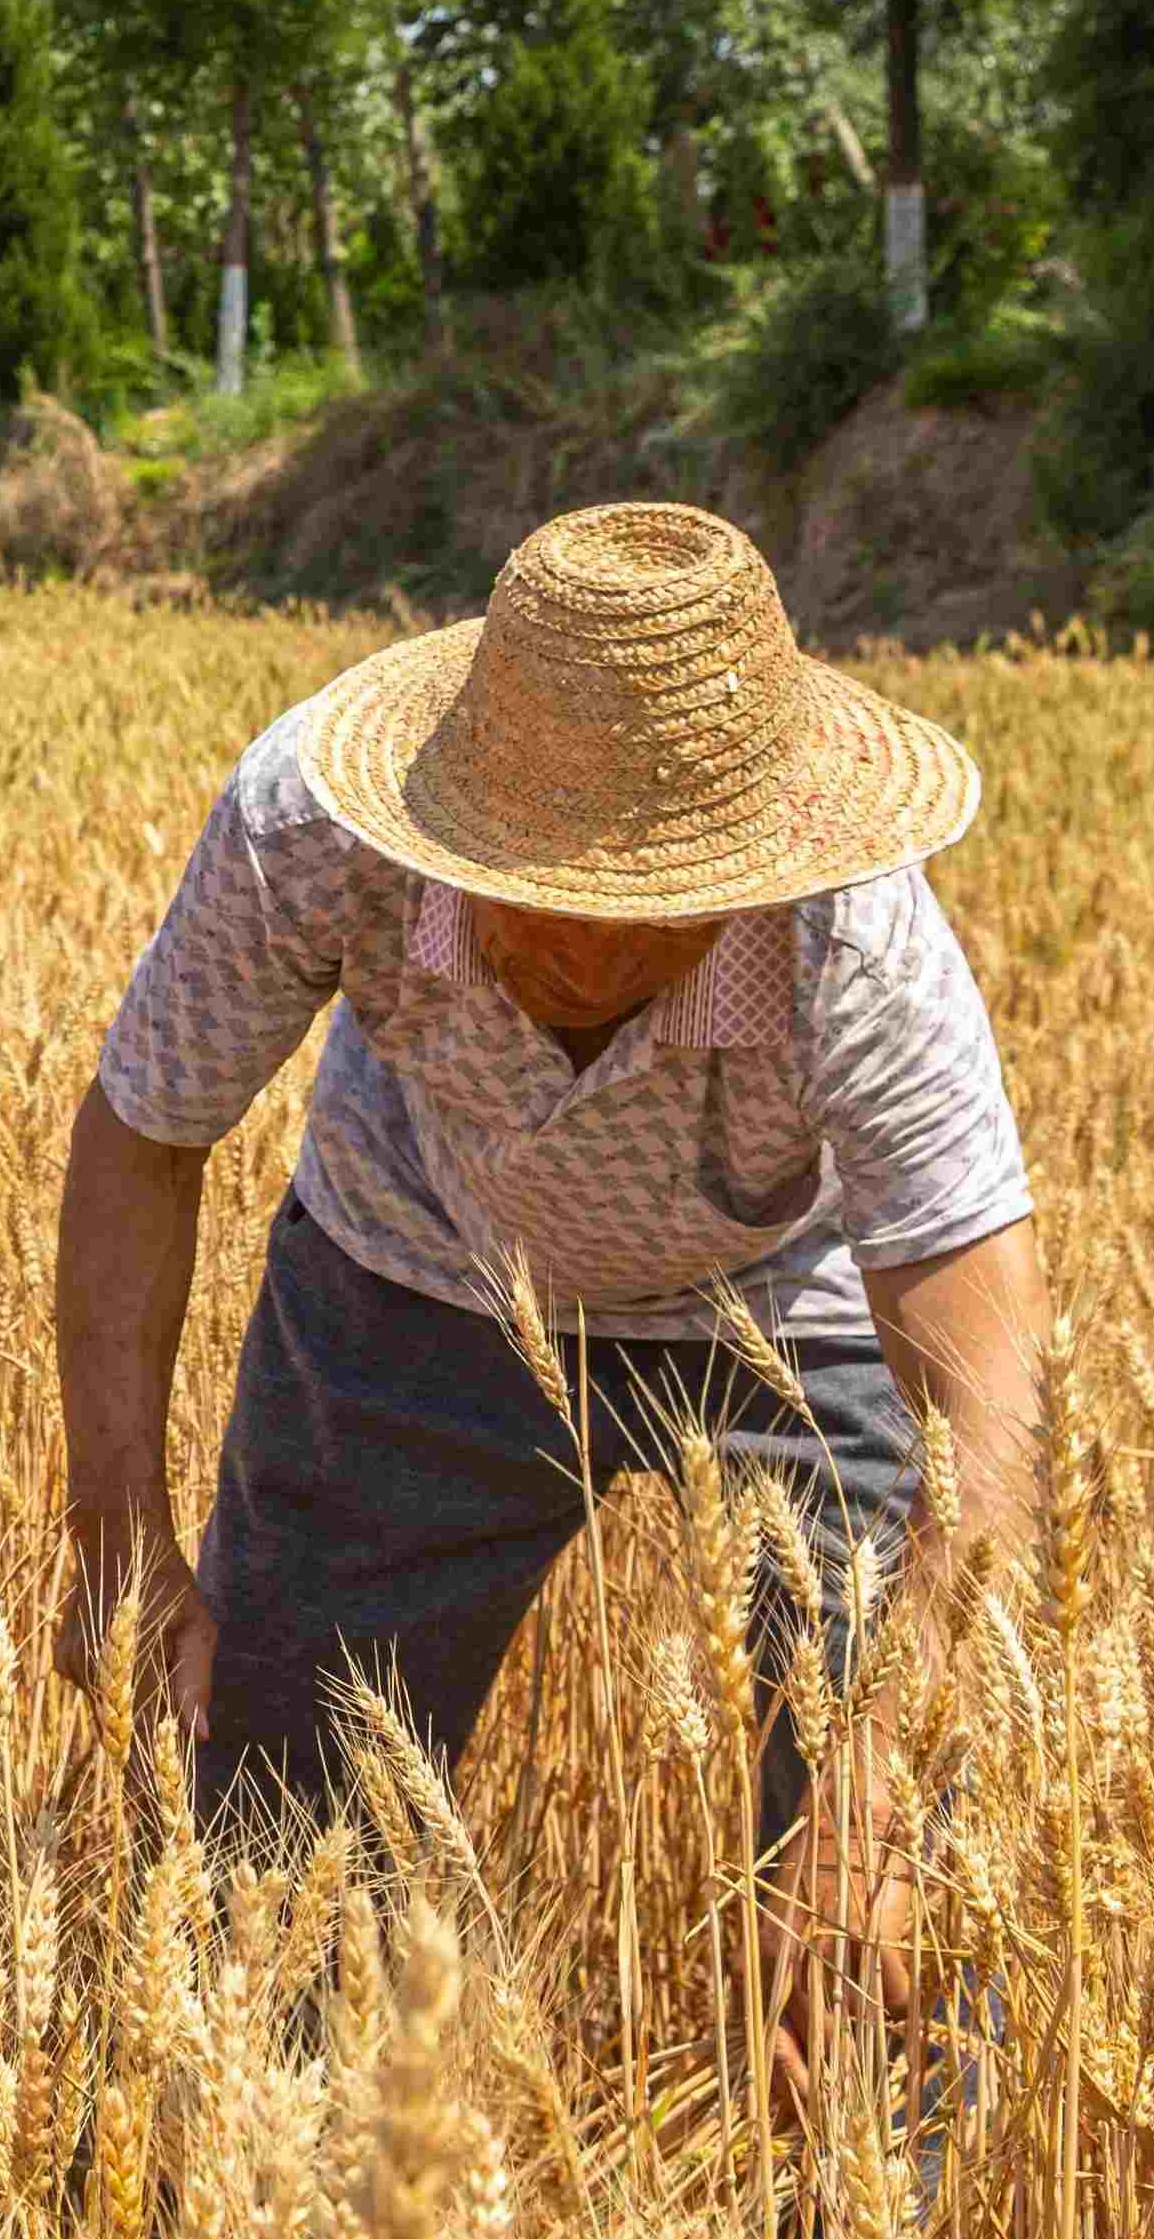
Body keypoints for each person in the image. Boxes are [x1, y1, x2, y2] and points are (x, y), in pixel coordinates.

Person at [57, 502, 1046, 2017]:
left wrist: (885, 1780)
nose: (580, 952)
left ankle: (866, 2223)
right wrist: (118, 1533)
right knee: (268, 1881)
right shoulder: (311, 828)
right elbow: (140, 1136)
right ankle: (264, 2223)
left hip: (787, 1297)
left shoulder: (854, 937)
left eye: (636, 913)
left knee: (896, 1917)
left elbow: (984, 1401)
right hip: (413, 1275)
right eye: (542, 888)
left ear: (746, 869)